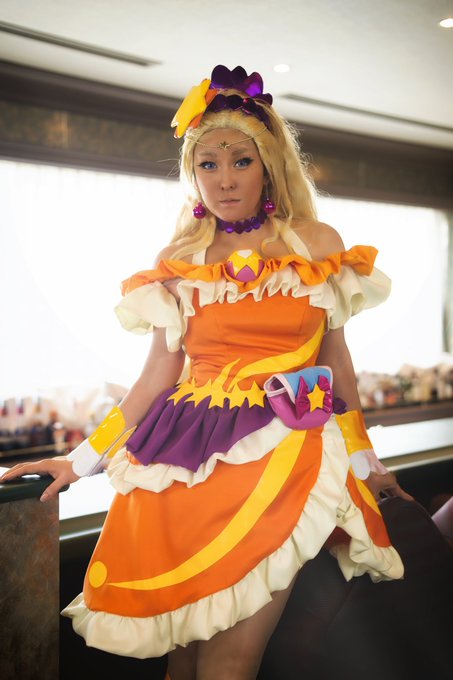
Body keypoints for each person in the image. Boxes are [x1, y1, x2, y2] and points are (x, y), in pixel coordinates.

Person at [0, 65, 412, 680]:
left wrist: (365, 463)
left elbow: (336, 363)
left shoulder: (315, 245)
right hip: (183, 464)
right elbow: (154, 380)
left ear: (269, 165)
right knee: (183, 658)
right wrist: (79, 461)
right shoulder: (179, 260)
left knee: (230, 661)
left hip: (281, 456)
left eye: (240, 161)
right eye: (208, 163)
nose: (224, 179)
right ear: (192, 173)